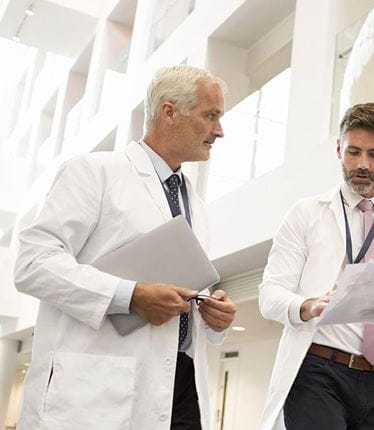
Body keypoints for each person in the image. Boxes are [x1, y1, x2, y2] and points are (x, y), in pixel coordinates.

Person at [14, 65, 237, 430]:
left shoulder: (193, 202)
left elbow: (180, 285)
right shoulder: (94, 172)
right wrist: (130, 296)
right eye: (210, 115)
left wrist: (213, 314)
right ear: (169, 112)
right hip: (101, 386)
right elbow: (34, 263)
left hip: (180, 385)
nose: (220, 130)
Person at [258, 103, 374, 429]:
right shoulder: (306, 213)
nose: (362, 164)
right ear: (339, 149)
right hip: (318, 371)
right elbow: (270, 295)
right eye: (353, 152)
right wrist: (308, 306)